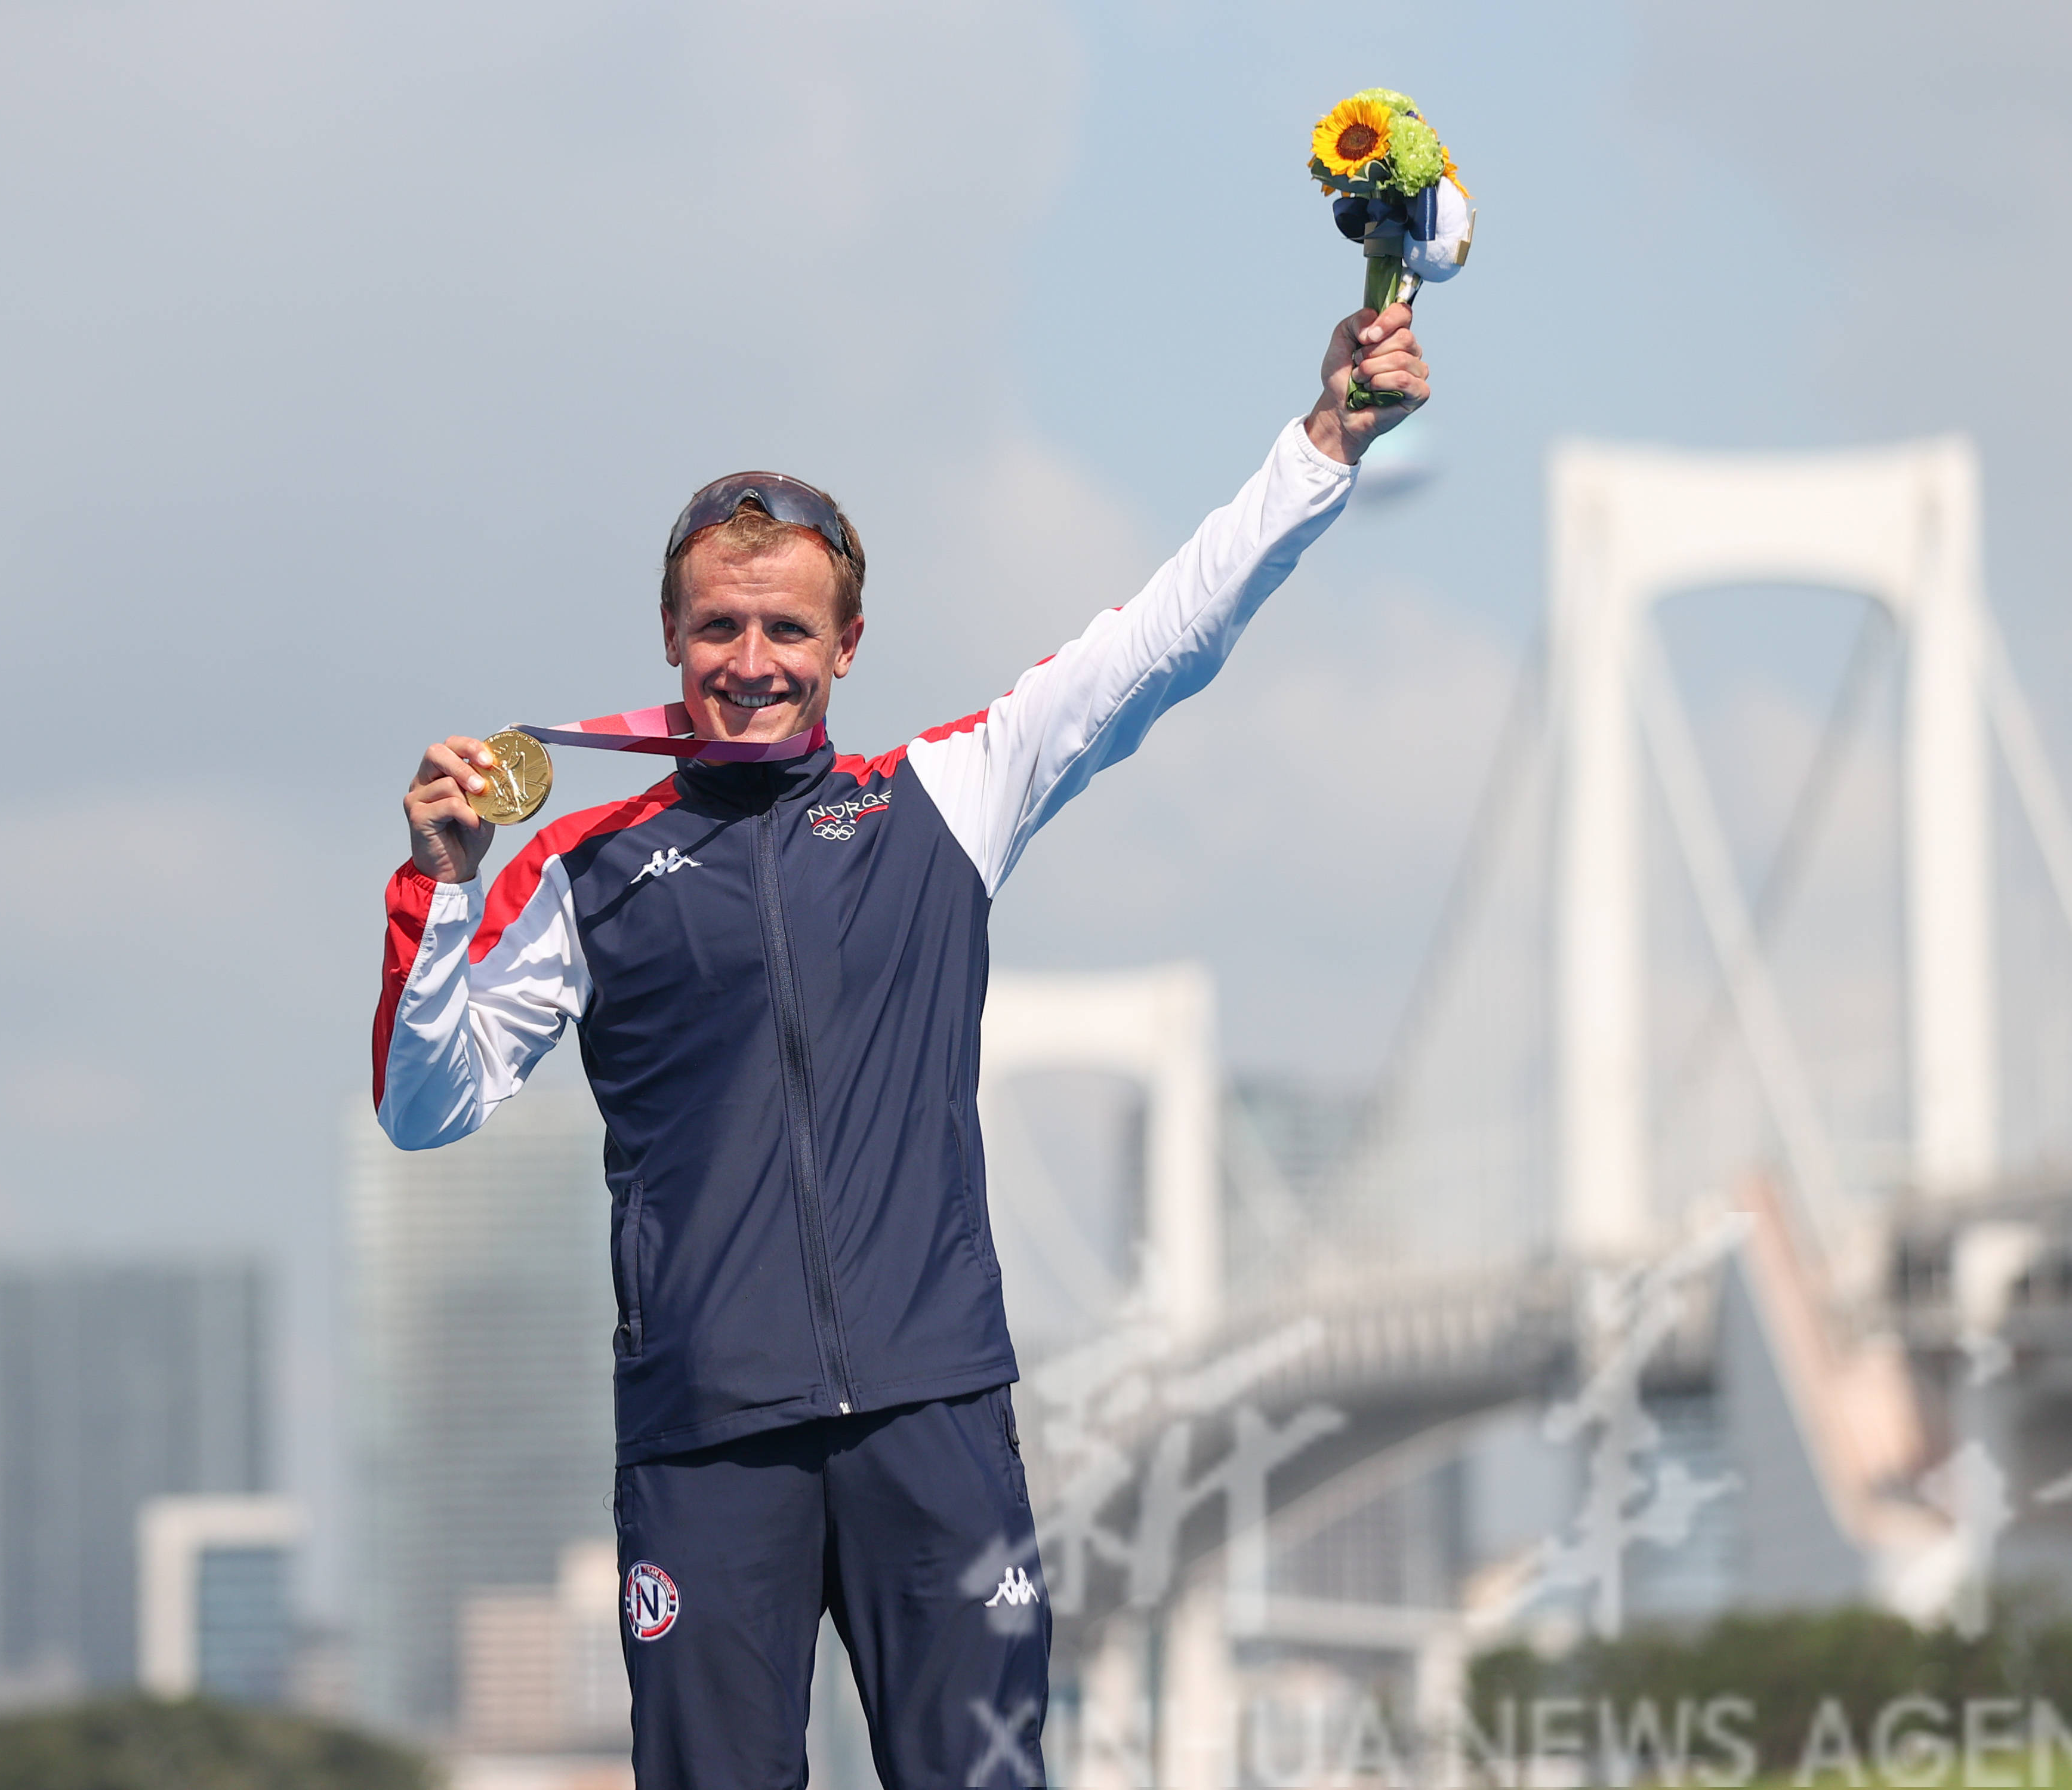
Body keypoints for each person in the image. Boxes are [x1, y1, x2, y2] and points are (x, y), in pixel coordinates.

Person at [374, 301, 1429, 1788]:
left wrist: (1327, 445)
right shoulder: (581, 870)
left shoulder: (948, 796)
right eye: (720, 628)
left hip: (932, 1414)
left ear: (848, 644)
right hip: (706, 1438)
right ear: (671, 640)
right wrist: (446, 879)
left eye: (788, 629)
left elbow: (1165, 637)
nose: (752, 661)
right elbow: (429, 1107)